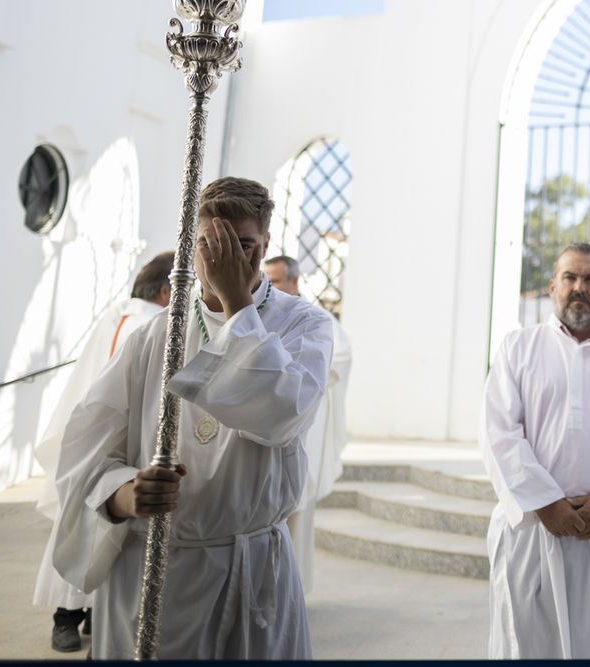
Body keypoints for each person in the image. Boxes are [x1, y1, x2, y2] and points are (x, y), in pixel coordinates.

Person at [50, 178, 334, 659]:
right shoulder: (153, 337)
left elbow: (282, 414)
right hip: (158, 566)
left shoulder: (304, 324)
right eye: (209, 244)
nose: (224, 258)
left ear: (265, 244)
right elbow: (85, 450)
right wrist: (124, 494)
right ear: (189, 244)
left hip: (251, 569)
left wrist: (237, 301)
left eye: (242, 245)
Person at [481, 242, 590, 658]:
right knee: (530, 646)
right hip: (533, 532)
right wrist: (545, 503)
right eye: (569, 277)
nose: (579, 287)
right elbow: (499, 432)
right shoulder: (518, 348)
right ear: (553, 286)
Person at [31, 252, 171, 653]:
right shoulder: (154, 324)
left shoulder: (116, 316)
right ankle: (67, 616)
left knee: (95, 527)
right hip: (116, 439)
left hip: (98, 438)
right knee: (93, 526)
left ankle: (84, 614)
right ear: (166, 290)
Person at [289, 302, 352, 597]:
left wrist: (302, 377)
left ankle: (295, 588)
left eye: (278, 281)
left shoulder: (316, 317)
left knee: (300, 499)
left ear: (294, 281)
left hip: (307, 420)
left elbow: (341, 357)